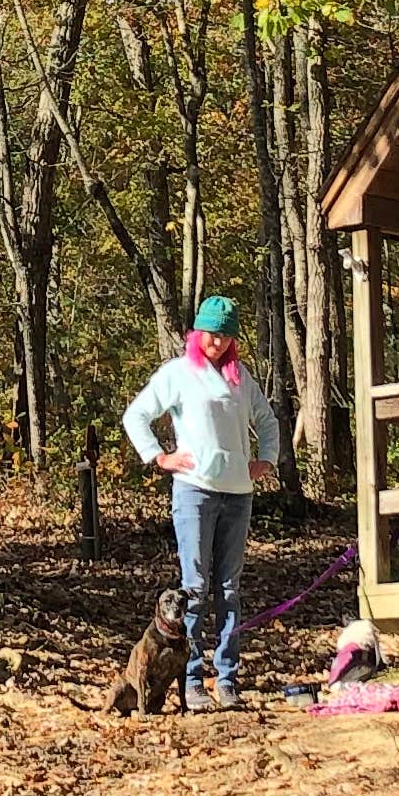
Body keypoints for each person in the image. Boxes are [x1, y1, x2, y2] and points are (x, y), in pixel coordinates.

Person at [122, 295, 279, 711]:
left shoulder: (239, 377)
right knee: (195, 588)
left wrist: (266, 460)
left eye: (226, 335)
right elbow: (136, 415)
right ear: (197, 331)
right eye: (212, 332)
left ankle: (226, 680)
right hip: (193, 490)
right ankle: (190, 682)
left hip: (238, 493)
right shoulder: (177, 373)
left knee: (229, 589)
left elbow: (266, 419)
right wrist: (159, 456)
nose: (218, 341)